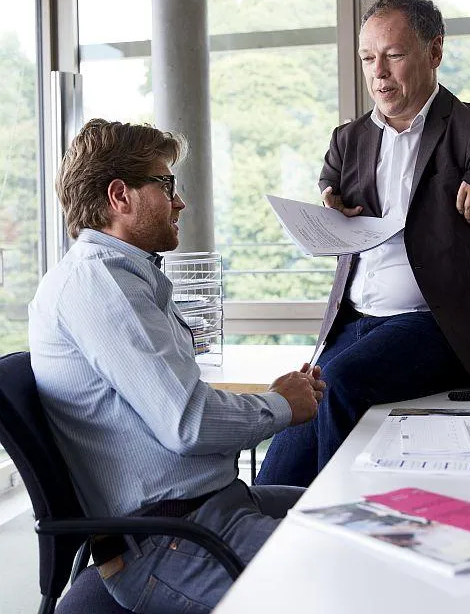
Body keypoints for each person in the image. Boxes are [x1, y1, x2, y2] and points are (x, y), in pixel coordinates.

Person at [28, 118, 325, 613]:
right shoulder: (99, 286)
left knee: (364, 517)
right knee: (357, 570)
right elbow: (188, 423)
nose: (180, 201)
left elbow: (181, 404)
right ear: (120, 196)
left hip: (210, 509)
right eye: (166, 185)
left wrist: (275, 399)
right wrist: (280, 406)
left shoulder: (126, 278)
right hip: (173, 539)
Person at [256, 0, 470, 488]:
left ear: (434, 52)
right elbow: (329, 180)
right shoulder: (349, 137)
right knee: (295, 417)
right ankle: (261, 530)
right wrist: (329, 200)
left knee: (338, 386)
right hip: (356, 319)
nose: (379, 72)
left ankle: (337, 517)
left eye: (394, 56)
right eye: (368, 58)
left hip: (436, 320)